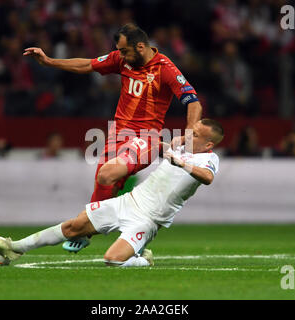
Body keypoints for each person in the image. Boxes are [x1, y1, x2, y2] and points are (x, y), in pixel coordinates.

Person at [0, 119, 223, 267]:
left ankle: (141, 258)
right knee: (73, 227)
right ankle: (14, 247)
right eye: (191, 132)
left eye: (196, 135)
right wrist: (147, 146)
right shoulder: (182, 145)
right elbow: (162, 147)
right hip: (129, 201)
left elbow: (208, 178)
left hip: (148, 220)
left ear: (209, 144)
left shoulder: (209, 158)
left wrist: (181, 163)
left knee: (112, 260)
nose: (189, 135)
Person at [23, 23, 203, 204]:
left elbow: (194, 103)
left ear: (140, 46)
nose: (121, 56)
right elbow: (87, 64)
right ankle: (111, 224)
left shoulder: (165, 68)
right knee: (99, 202)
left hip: (145, 138)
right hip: (116, 135)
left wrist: (188, 139)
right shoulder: (121, 59)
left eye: (124, 51)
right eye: (120, 51)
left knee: (107, 175)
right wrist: (49, 61)